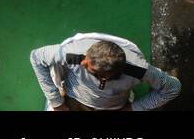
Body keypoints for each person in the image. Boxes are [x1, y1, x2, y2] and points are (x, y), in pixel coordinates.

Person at [29, 33, 181, 110]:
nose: (82, 63)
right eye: (86, 59)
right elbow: (36, 57)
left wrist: (135, 108)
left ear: (106, 76)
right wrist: (56, 101)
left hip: (113, 107)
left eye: (89, 67)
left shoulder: (138, 70)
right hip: (72, 97)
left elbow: (173, 88)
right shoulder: (74, 55)